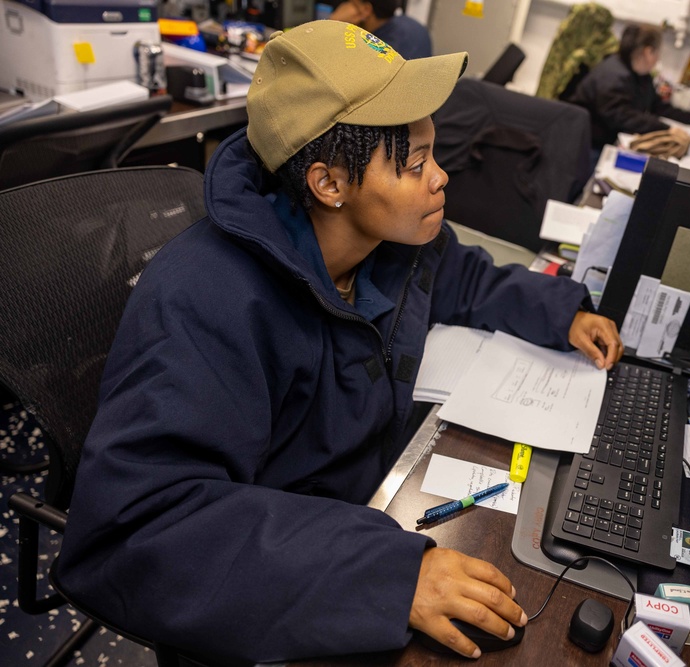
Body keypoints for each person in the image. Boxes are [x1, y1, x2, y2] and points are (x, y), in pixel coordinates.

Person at [56, 20, 623, 664]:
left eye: (434, 155)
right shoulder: (206, 300)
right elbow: (137, 533)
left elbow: (458, 274)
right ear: (328, 184)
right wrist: (383, 576)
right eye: (414, 165)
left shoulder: (386, 243)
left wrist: (561, 311)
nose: (440, 179)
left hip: (356, 516)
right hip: (268, 593)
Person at [566, 22, 690, 160]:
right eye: (658, 52)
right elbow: (624, 116)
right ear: (648, 52)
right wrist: (666, 129)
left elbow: (659, 107)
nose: (658, 58)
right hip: (587, 146)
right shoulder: (613, 75)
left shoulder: (640, 75)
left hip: (604, 142)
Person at [330, 0, 432, 59]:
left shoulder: (377, 51)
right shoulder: (411, 23)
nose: (344, 7)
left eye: (352, 3)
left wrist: (332, 22)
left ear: (366, 10)